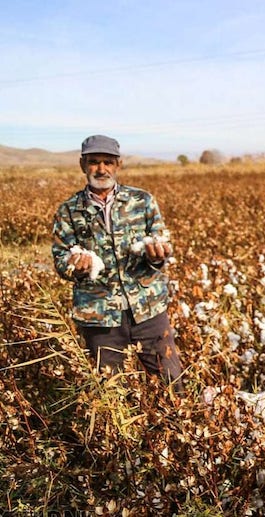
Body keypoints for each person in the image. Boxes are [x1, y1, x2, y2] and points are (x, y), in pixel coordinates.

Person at [52, 135, 184, 393]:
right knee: (111, 393)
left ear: (118, 165)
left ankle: (171, 429)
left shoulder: (142, 200)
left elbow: (162, 242)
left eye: (108, 162)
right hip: (99, 316)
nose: (101, 169)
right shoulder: (68, 210)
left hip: (148, 310)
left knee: (172, 385)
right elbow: (60, 259)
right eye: (94, 162)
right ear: (82, 165)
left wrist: (158, 255)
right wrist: (77, 266)